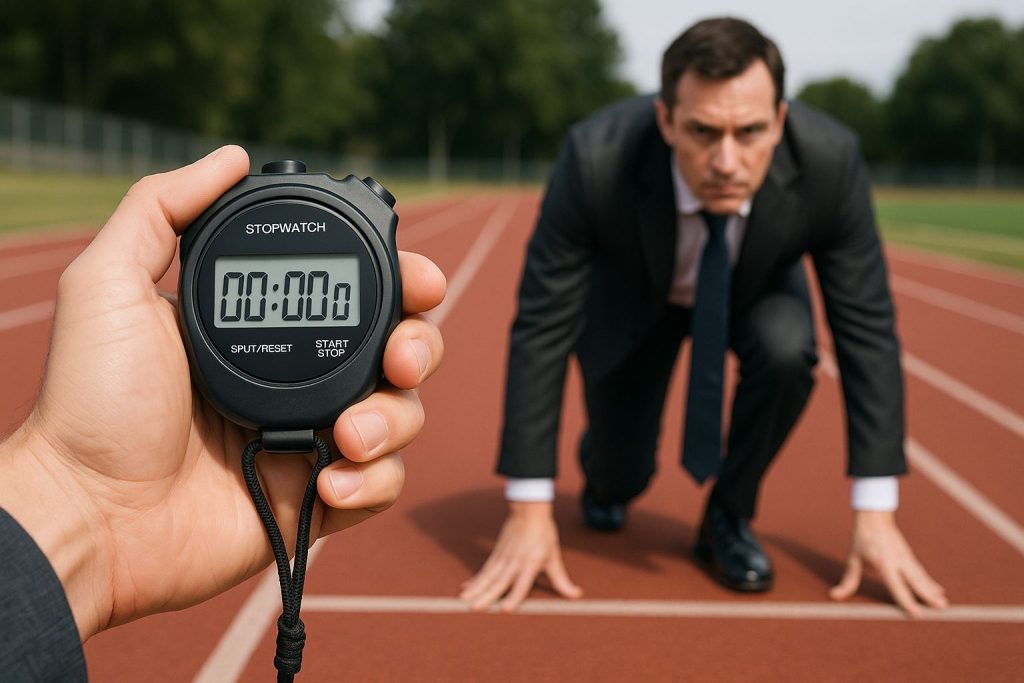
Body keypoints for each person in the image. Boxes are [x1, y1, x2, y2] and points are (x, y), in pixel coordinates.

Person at [460, 17, 947, 616]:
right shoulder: (596, 157)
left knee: (790, 347)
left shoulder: (831, 161)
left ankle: (728, 516)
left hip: (753, 292)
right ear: (665, 120)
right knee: (620, 477)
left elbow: (866, 327)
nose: (726, 160)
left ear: (781, 122)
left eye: (749, 132)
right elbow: (540, 324)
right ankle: (607, 471)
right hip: (636, 297)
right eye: (702, 131)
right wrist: (528, 510)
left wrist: (877, 513)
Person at [0, 145, 446, 679]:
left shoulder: (222, 224)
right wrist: (88, 493)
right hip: (229, 415)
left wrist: (82, 505)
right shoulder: (347, 221)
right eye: (255, 293)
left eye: (313, 293)